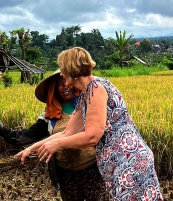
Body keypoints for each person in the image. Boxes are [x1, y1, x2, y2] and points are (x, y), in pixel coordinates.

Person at [16, 47, 164, 201]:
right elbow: (68, 133)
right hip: (118, 164)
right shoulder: (85, 96)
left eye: (63, 68)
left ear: (72, 68)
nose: (61, 73)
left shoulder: (96, 89)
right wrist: (32, 148)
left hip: (129, 161)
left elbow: (92, 136)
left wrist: (58, 145)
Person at [0, 69, 109, 201]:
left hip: (93, 169)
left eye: (67, 82)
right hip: (65, 172)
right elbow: (23, 137)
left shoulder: (88, 104)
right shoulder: (49, 115)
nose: (65, 86)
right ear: (54, 89)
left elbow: (98, 133)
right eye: (60, 84)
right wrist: (2, 129)